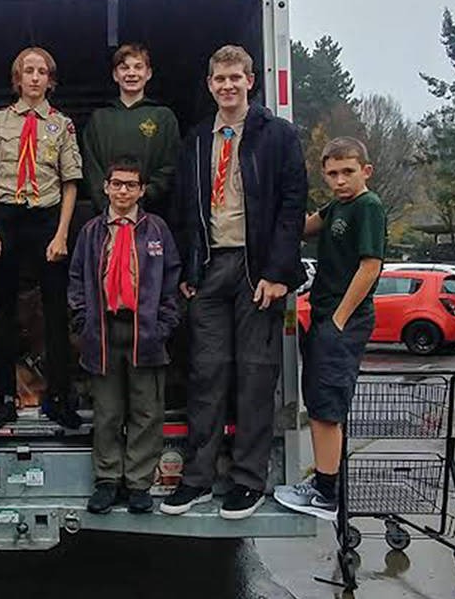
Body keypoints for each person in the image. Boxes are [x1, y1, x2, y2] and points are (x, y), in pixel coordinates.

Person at [162, 44, 306, 521]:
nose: (227, 86)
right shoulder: (198, 139)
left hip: (255, 272)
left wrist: (278, 273)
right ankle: (197, 480)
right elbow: (184, 210)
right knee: (206, 376)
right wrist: (186, 270)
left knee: (255, 376)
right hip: (208, 271)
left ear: (250, 81)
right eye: (219, 79)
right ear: (210, 85)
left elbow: (291, 207)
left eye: (235, 78)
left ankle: (248, 481)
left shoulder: (278, 136)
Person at [0, 46, 83, 434]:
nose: (34, 78)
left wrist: (61, 234)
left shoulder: (61, 125)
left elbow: (70, 183)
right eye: (27, 71)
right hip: (6, 215)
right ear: (17, 79)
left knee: (54, 313)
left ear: (50, 81)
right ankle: (3, 399)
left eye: (41, 72)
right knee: (4, 313)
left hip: (46, 217)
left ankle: (60, 397)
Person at [276, 137, 385, 518]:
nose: (340, 180)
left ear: (365, 172)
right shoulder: (338, 206)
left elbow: (370, 266)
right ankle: (323, 481)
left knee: (326, 409)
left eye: (348, 172)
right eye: (332, 173)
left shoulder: (367, 207)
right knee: (319, 401)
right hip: (323, 316)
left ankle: (326, 493)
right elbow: (305, 228)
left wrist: (339, 318)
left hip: (342, 321)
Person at [68, 160, 181, 514]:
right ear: (105, 188)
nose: (123, 192)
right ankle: (107, 479)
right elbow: (75, 279)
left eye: (131, 185)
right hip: (103, 331)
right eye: (117, 184)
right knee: (108, 411)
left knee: (146, 411)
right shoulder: (91, 231)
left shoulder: (157, 231)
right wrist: (83, 320)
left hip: (144, 331)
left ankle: (138, 483)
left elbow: (172, 280)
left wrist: (163, 324)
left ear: (142, 191)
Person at [79, 43, 179, 216]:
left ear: (148, 74)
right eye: (124, 68)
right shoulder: (99, 118)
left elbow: (171, 165)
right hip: (106, 215)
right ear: (115, 75)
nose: (131, 73)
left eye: (138, 67)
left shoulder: (163, 117)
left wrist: (141, 197)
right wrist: (108, 204)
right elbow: (90, 168)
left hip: (151, 214)